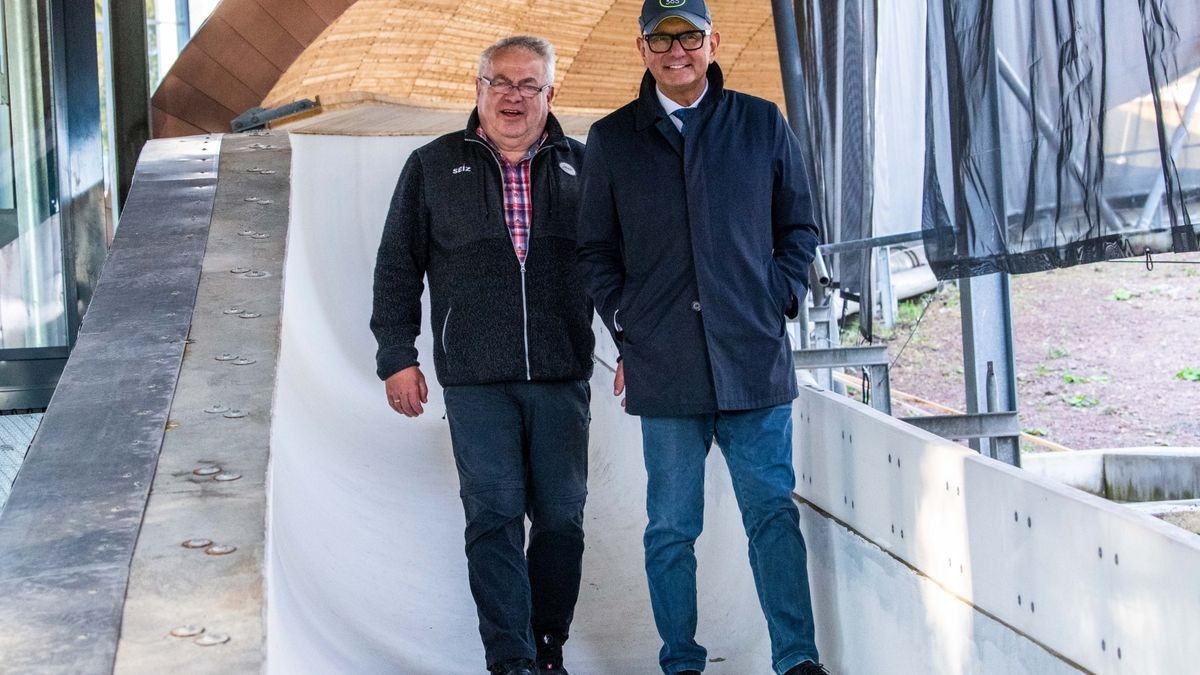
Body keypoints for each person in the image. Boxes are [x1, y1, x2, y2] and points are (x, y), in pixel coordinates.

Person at [575, 1, 828, 674]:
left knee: (772, 514)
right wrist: (630, 326)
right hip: (667, 369)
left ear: (714, 41)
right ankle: (680, 660)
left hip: (753, 362)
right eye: (662, 37)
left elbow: (798, 227)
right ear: (642, 49)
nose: (676, 48)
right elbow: (594, 250)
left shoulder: (759, 122)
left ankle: (797, 658)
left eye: (688, 34)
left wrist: (775, 297)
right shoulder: (614, 139)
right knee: (670, 528)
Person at [371, 35, 594, 675]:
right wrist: (397, 355)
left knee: (560, 520)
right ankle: (511, 659)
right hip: (474, 380)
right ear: (478, 89)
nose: (514, 96)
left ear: (552, 95)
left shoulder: (585, 167)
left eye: (529, 85)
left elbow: (611, 267)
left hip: (561, 374)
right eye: (501, 82)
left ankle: (548, 645)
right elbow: (396, 267)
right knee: (493, 516)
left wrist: (634, 344)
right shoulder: (433, 165)